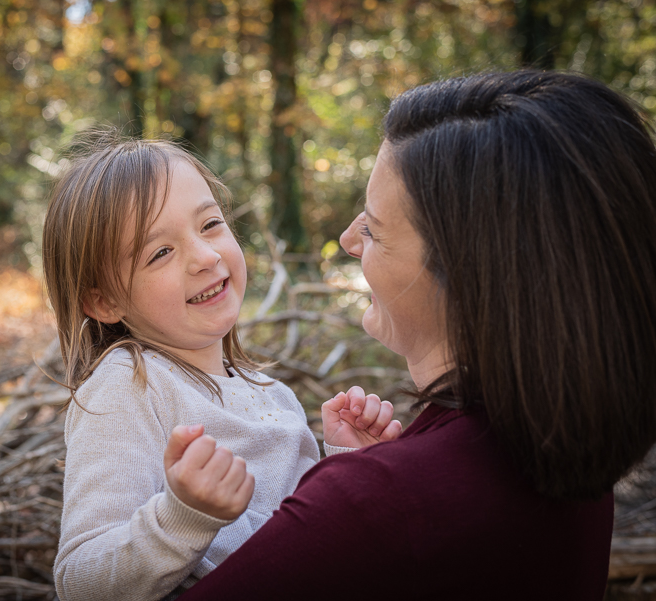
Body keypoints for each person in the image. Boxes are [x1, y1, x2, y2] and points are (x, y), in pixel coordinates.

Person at [178, 70, 656, 600]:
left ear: (468, 274)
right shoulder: (568, 452)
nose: (347, 238)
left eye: (375, 230)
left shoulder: (375, 505)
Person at [41, 135, 402, 601]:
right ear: (104, 300)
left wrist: (348, 463)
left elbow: (310, 544)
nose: (206, 257)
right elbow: (81, 581)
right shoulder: (128, 386)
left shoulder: (272, 393)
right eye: (160, 253)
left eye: (210, 224)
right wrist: (183, 518)